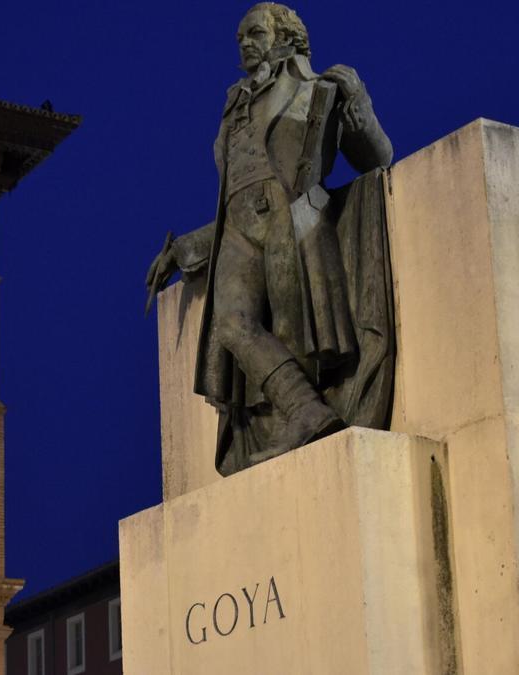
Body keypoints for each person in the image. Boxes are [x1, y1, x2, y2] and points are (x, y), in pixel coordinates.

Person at [146, 2, 394, 475]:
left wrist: (358, 101)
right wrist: (184, 250)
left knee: (290, 328)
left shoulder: (318, 89)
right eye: (240, 36)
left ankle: (305, 412)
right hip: (238, 229)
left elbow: (377, 157)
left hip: (290, 218)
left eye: (254, 33)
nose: (244, 43)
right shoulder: (233, 108)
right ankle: (305, 408)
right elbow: (230, 191)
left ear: (286, 38)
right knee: (231, 326)